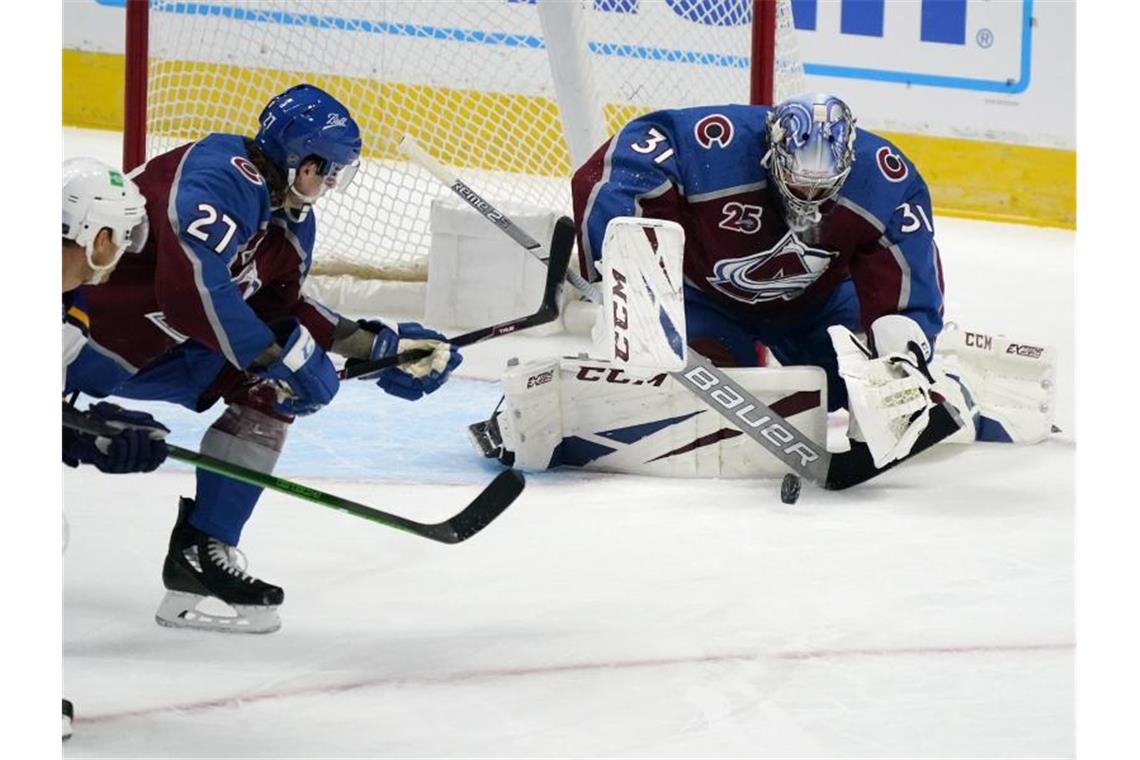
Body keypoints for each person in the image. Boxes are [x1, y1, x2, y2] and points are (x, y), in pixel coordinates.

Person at [469, 93, 1054, 475]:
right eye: (796, 185)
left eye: (824, 190)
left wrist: (900, 357)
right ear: (770, 153)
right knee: (681, 386)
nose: (810, 200)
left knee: (869, 392)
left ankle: (960, 385)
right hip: (705, 299)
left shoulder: (884, 179)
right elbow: (617, 172)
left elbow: (906, 279)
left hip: (819, 307)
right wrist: (622, 273)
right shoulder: (712, 143)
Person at [65, 84, 462, 635]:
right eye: (324, 170)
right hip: (77, 341)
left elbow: (279, 305)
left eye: (336, 175)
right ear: (297, 156)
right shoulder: (217, 176)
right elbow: (193, 294)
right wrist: (281, 356)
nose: (327, 185)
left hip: (152, 353)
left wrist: (372, 345)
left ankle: (202, 556)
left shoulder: (292, 221)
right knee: (276, 365)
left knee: (268, 391)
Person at [62, 157, 169, 740]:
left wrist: (93, 432)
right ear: (95, 235)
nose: (125, 252)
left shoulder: (70, 304)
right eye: (122, 237)